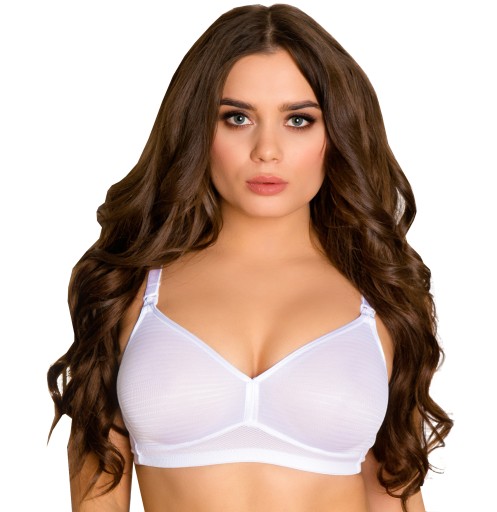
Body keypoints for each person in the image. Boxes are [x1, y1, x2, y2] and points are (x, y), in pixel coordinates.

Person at [47, 4, 453, 511]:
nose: (267, 150)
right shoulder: (126, 284)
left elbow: (392, 490)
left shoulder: (382, 295)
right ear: (198, 128)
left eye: (299, 120)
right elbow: (99, 485)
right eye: (237, 118)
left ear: (337, 133)